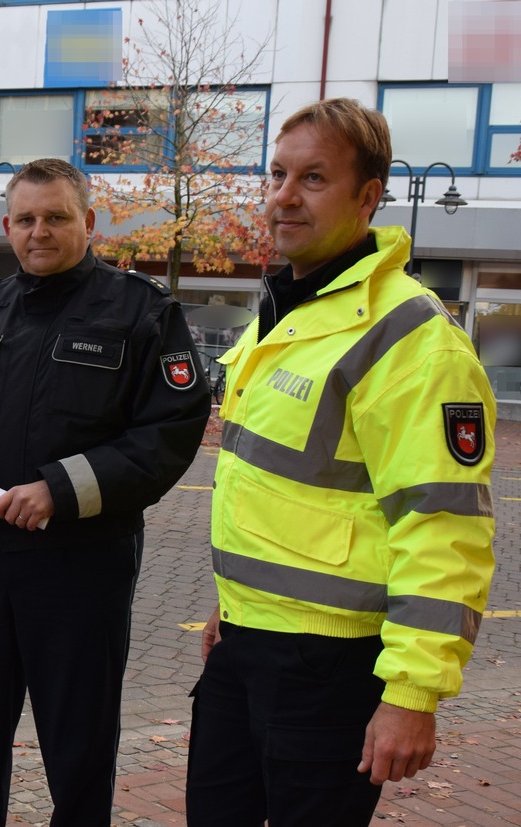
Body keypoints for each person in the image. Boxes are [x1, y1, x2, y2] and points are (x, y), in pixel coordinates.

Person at [186, 98, 497, 825]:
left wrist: (412, 694)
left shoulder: (411, 337)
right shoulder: (291, 312)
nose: (284, 196)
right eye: (277, 174)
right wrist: (235, 603)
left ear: (368, 197)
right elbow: (285, 487)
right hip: (243, 644)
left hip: (328, 672)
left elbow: (445, 530)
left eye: (314, 178)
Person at [0, 158, 210, 826]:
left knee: (79, 748)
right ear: (9, 226)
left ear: (88, 222)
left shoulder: (141, 313)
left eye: (57, 216)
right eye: (27, 219)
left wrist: (59, 490)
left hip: (81, 568)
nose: (40, 231)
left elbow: (169, 432)